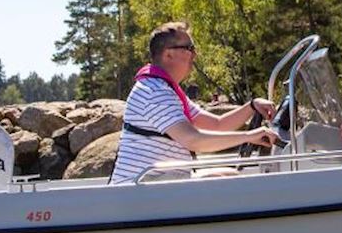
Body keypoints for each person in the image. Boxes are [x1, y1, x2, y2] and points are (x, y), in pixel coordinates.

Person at [109, 22, 278, 184]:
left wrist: (252, 106)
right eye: (189, 48)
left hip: (154, 186)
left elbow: (218, 124)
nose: (194, 54)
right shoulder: (154, 91)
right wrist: (249, 136)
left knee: (230, 176)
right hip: (139, 195)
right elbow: (193, 139)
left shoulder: (167, 90)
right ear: (168, 54)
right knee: (231, 182)